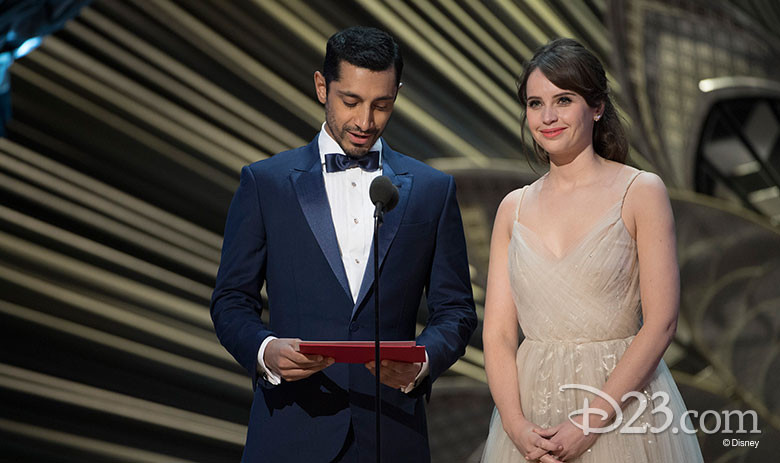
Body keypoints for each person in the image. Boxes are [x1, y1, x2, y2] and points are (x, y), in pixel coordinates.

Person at [211, 26, 477, 463]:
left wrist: (423, 360)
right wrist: (265, 351)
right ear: (322, 87)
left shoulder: (432, 190)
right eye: (350, 101)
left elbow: (456, 310)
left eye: (382, 105)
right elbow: (230, 301)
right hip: (291, 430)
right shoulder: (266, 183)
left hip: (393, 433)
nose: (365, 121)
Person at [481, 38, 703, 462]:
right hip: (529, 417)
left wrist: (587, 424)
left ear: (596, 106)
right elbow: (499, 333)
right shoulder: (513, 208)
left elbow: (661, 323)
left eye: (563, 100)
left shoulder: (640, 191)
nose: (547, 117)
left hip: (623, 412)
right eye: (534, 103)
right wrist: (515, 425)